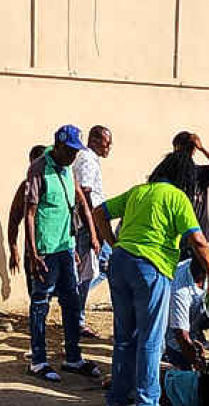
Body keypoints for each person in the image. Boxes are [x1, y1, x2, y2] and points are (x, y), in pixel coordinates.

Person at [92, 151, 209, 406]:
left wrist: (113, 243)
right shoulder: (176, 197)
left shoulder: (138, 192)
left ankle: (117, 400)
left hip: (120, 263)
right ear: (184, 178)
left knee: (125, 337)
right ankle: (147, 405)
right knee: (151, 338)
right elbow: (197, 240)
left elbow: (98, 212)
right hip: (152, 267)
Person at [24, 125, 101, 382]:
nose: (72, 156)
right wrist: (32, 252)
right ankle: (38, 360)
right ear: (57, 145)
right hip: (46, 248)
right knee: (40, 302)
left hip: (66, 246)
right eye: (69, 151)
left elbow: (78, 205)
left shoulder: (69, 169)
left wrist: (85, 239)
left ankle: (73, 357)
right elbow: (30, 213)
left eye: (75, 152)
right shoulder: (38, 169)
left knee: (71, 301)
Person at [164, 249, 209, 372]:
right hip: (175, 342)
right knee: (185, 376)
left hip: (198, 318)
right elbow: (181, 336)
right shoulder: (180, 290)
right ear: (206, 269)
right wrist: (197, 364)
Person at [73, 125, 113, 339]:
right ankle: (75, 315)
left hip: (93, 224)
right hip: (90, 225)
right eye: (107, 142)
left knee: (102, 266)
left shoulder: (90, 159)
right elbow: (85, 195)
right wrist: (93, 229)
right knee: (88, 272)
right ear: (96, 140)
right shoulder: (87, 159)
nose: (109, 147)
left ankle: (72, 303)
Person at [171, 131, 209, 260]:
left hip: (198, 238)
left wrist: (203, 149)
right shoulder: (169, 174)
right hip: (175, 239)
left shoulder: (200, 173)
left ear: (193, 151)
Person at [7, 145, 50, 275]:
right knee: (38, 292)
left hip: (60, 249)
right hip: (35, 251)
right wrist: (14, 250)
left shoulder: (60, 182)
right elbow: (14, 219)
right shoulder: (26, 187)